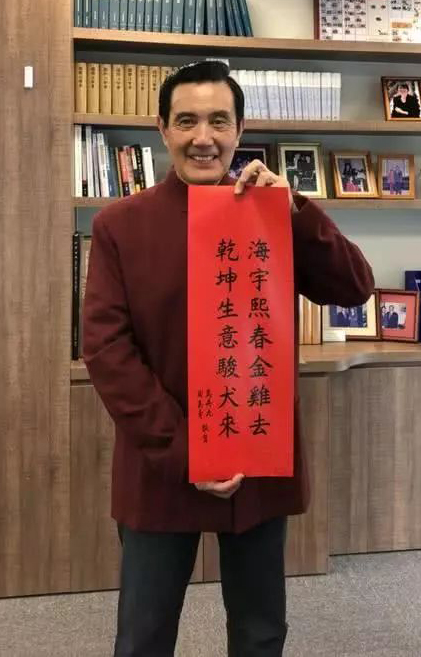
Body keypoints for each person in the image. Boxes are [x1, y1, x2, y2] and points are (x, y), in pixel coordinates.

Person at [82, 60, 374, 657]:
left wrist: (295, 209)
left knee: (260, 631)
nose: (203, 138)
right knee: (143, 635)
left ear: (240, 130)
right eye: (186, 121)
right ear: (162, 129)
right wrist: (187, 450)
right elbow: (107, 350)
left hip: (254, 455)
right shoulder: (120, 225)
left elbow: (354, 287)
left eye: (219, 121)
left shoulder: (270, 213)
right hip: (163, 460)